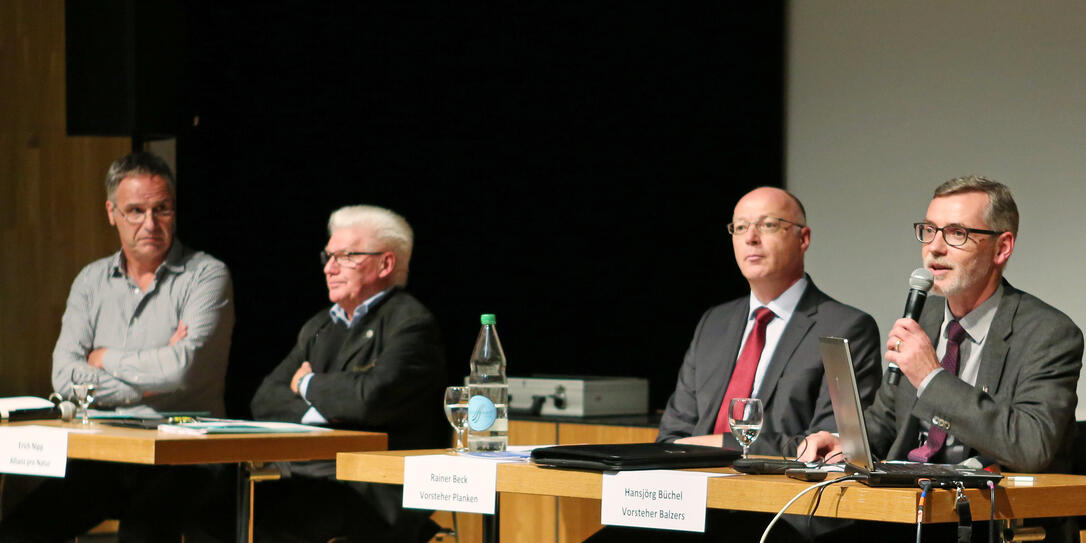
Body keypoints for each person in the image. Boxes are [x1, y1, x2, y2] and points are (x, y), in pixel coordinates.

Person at [588, 187, 882, 542]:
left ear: (803, 238)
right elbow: (671, 437)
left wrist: (721, 443)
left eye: (768, 225)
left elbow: (828, 450)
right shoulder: (715, 323)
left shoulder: (847, 327)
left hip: (777, 514)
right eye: (740, 228)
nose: (751, 239)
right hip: (690, 506)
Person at [800, 176, 1083, 541]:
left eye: (956, 234)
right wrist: (845, 442)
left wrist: (932, 378)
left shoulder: (1048, 333)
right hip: (905, 514)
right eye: (929, 231)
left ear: (1002, 248)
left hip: (990, 525)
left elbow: (1032, 446)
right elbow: (886, 423)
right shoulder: (926, 318)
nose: (934, 248)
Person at [0, 151, 234, 542]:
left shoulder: (206, 275)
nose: (151, 223)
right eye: (136, 211)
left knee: (143, 531)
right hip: (106, 452)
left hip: (184, 458)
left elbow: (183, 371)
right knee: (18, 531)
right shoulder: (91, 281)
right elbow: (63, 375)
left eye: (162, 209)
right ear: (112, 213)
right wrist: (147, 381)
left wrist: (103, 358)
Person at [250, 204, 447, 543]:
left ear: (385, 263)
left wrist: (307, 384)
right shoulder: (319, 326)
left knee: (278, 525)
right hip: (312, 474)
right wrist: (327, 410)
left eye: (345, 256)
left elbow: (369, 398)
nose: (329, 268)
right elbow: (265, 399)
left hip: (376, 487)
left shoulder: (411, 324)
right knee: (212, 512)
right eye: (328, 256)